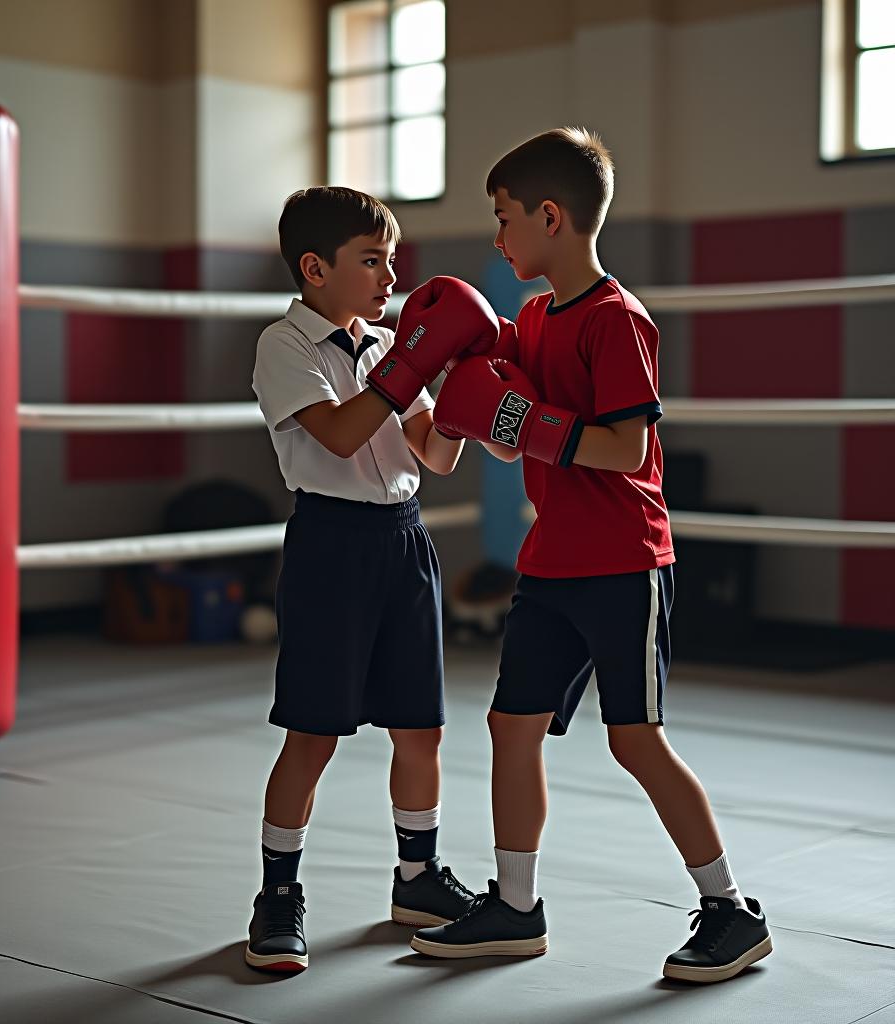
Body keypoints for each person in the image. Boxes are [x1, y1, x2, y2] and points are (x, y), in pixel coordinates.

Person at [412, 128, 772, 984]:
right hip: (552, 563)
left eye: (505, 220)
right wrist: (465, 402)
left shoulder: (618, 319)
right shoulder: (531, 319)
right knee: (511, 726)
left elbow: (622, 448)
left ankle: (730, 910)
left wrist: (526, 421)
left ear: (552, 217)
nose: (497, 240)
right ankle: (517, 905)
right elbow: (515, 445)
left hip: (623, 561)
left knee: (635, 740)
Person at [245, 185, 497, 972]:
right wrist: (414, 362)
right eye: (372, 260)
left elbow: (436, 453)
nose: (392, 275)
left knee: (421, 727)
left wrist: (469, 391)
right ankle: (278, 895)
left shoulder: (393, 344)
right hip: (330, 545)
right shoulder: (284, 346)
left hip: (405, 541)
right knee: (314, 732)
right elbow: (343, 429)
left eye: (392, 259)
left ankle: (417, 879)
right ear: (315, 268)